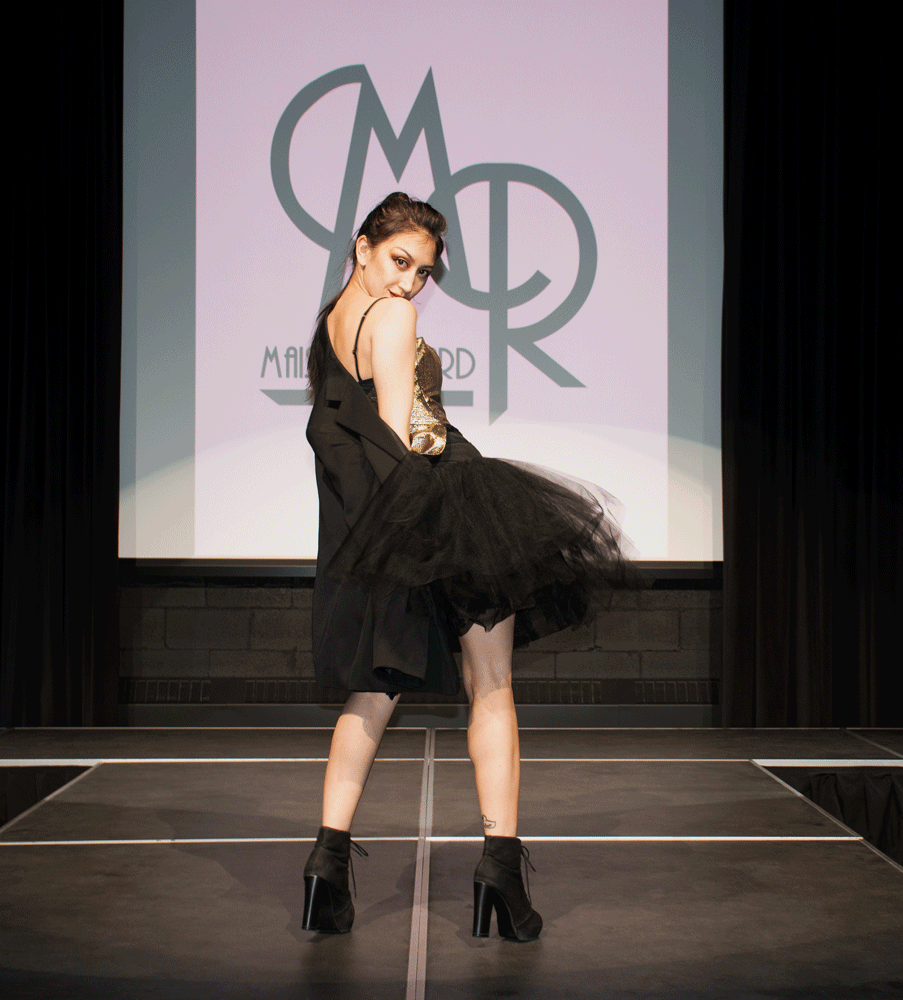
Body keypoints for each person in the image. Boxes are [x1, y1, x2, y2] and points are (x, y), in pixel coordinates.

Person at [302, 192, 633, 942]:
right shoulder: (391, 318)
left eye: (421, 272)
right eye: (398, 261)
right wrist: (432, 539)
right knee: (492, 686)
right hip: (437, 510)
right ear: (361, 247)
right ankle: (500, 871)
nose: (409, 283)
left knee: (372, 695)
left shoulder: (330, 327)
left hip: (391, 523)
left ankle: (324, 866)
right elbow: (395, 440)